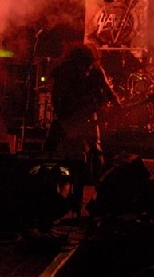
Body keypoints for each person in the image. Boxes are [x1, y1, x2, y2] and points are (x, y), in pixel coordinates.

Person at [44, 43, 120, 213]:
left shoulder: (96, 71)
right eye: (83, 66)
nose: (86, 70)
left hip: (87, 119)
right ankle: (49, 194)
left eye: (88, 66)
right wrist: (67, 123)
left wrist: (116, 105)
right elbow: (57, 102)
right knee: (53, 153)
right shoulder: (63, 73)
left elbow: (108, 92)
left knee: (95, 153)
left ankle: (102, 195)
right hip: (67, 118)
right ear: (74, 64)